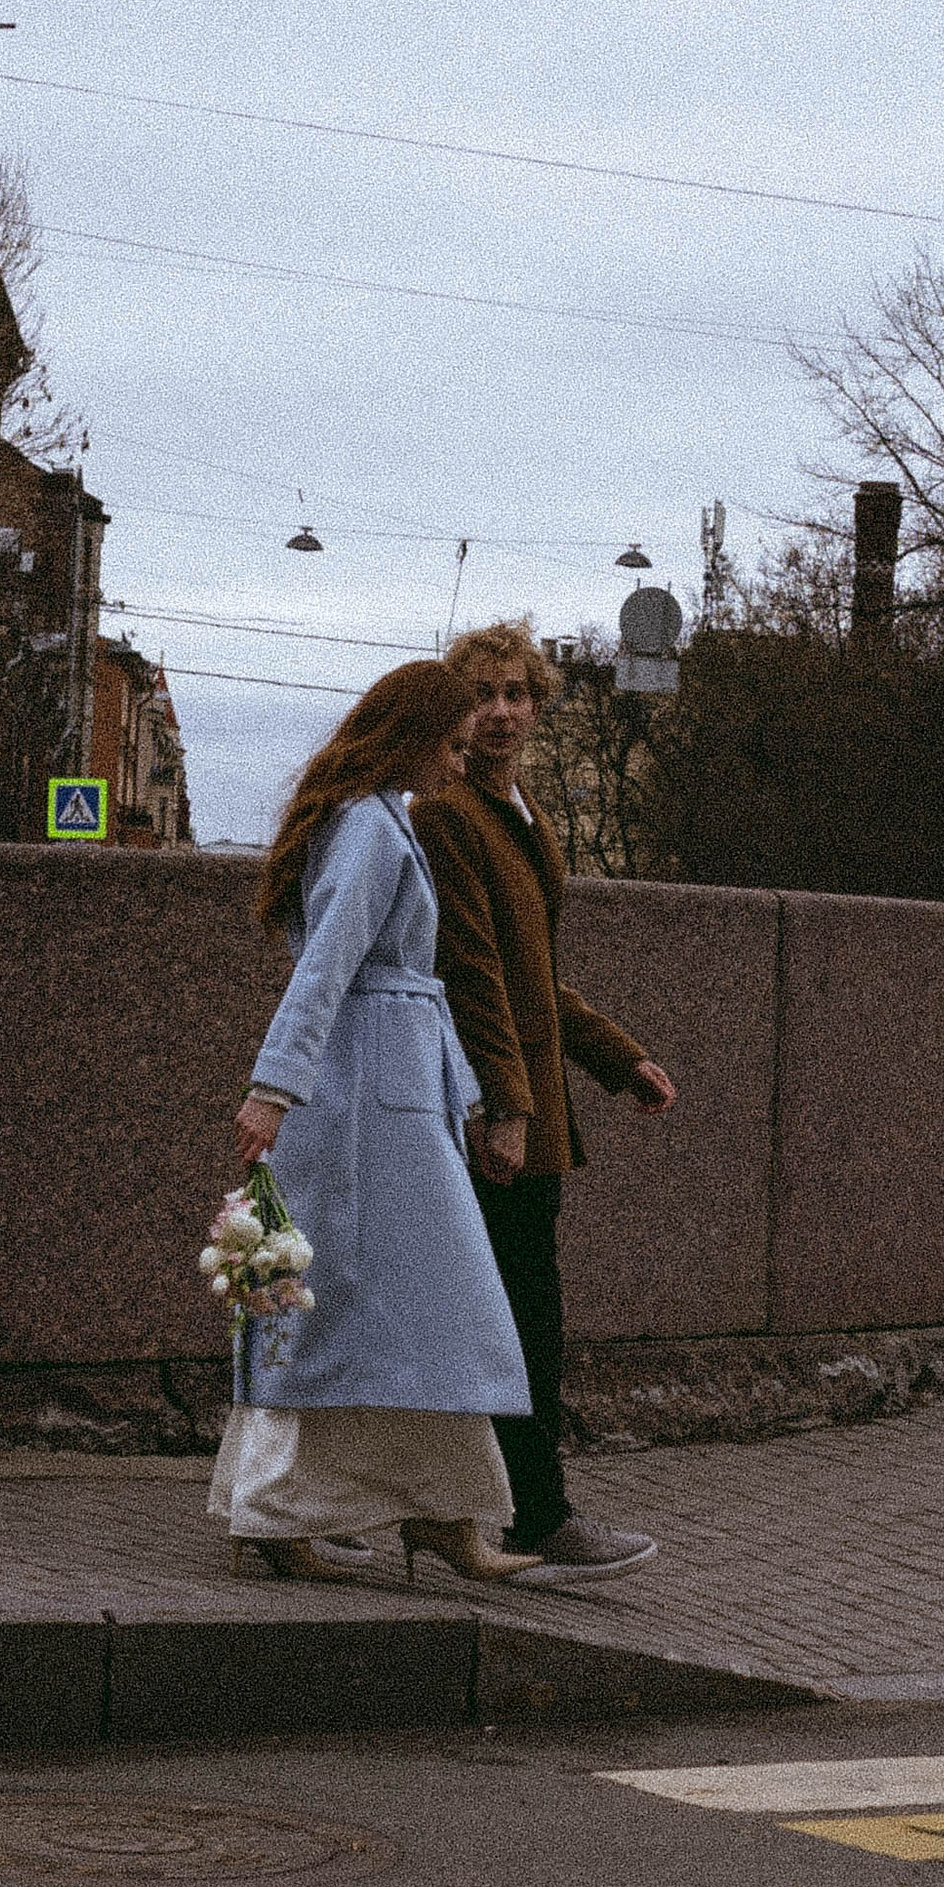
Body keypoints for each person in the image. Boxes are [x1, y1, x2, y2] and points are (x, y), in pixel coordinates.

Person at [211, 658, 536, 1589]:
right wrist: (272, 1089)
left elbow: (412, 992)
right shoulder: (371, 830)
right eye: (449, 745)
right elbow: (328, 973)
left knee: (410, 1314)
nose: (456, 763)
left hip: (385, 1098)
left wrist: (469, 1093)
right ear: (413, 739)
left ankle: (418, 1516)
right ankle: (331, 1515)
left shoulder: (377, 822)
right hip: (363, 1112)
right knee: (390, 1310)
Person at [418, 621, 675, 1571]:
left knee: (525, 1314)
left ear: (538, 704)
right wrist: (509, 1108)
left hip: (529, 1105)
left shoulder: (518, 809)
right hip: (496, 1114)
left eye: (517, 694)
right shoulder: (448, 812)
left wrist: (617, 1057)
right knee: (513, 1318)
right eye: (481, 695)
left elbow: (537, 977)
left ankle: (506, 1511)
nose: (500, 712)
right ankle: (532, 1515)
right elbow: (473, 971)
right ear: (457, 709)